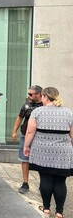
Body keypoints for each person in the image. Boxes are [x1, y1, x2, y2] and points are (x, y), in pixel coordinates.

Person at [23, 87, 73, 218]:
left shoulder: (37, 112)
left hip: (42, 151)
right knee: (60, 182)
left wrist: (26, 146)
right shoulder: (68, 112)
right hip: (63, 153)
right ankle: (59, 212)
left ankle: (46, 208)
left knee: (45, 179)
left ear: (45, 97)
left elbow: (30, 132)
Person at [12, 85, 43, 194]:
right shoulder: (26, 105)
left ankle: (42, 184)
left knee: (41, 160)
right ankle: (25, 183)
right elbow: (19, 117)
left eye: (31, 94)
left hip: (40, 137)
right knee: (24, 159)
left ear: (38, 94)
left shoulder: (45, 105)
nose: (28, 96)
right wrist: (14, 131)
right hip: (26, 135)